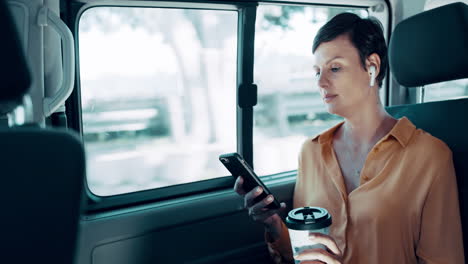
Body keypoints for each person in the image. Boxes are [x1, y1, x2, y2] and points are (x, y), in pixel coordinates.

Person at [234, 12, 464, 264]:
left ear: (372, 67)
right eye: (317, 71)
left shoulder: (429, 156)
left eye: (334, 68)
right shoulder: (310, 152)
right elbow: (307, 253)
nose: (321, 82)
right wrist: (275, 225)